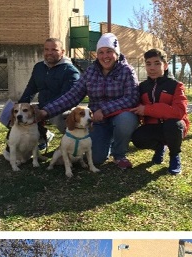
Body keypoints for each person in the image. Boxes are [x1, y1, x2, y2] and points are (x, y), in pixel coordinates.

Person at [38, 33, 139, 170]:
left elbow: (131, 98)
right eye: (101, 52)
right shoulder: (91, 71)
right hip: (96, 122)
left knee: (126, 120)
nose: (105, 56)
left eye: (109, 51)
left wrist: (104, 110)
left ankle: (119, 154)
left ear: (117, 52)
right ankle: (107, 140)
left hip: (119, 117)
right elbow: (73, 95)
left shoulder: (127, 70)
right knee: (96, 158)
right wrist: (46, 111)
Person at [131, 48, 190, 174]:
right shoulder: (142, 87)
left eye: (157, 63)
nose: (152, 68)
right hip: (153, 126)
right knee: (137, 137)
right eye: (148, 64)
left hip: (174, 127)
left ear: (165, 65)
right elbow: (135, 106)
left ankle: (174, 156)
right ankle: (159, 147)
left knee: (173, 124)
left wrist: (148, 109)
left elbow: (179, 112)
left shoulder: (176, 85)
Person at [19, 38, 80, 138]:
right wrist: (20, 105)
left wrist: (44, 109)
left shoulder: (70, 71)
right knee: (13, 114)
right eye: (46, 49)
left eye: (54, 50)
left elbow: (66, 97)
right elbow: (31, 88)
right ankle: (44, 137)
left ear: (62, 52)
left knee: (60, 118)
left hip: (61, 108)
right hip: (42, 106)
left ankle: (75, 141)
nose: (49, 53)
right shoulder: (38, 67)